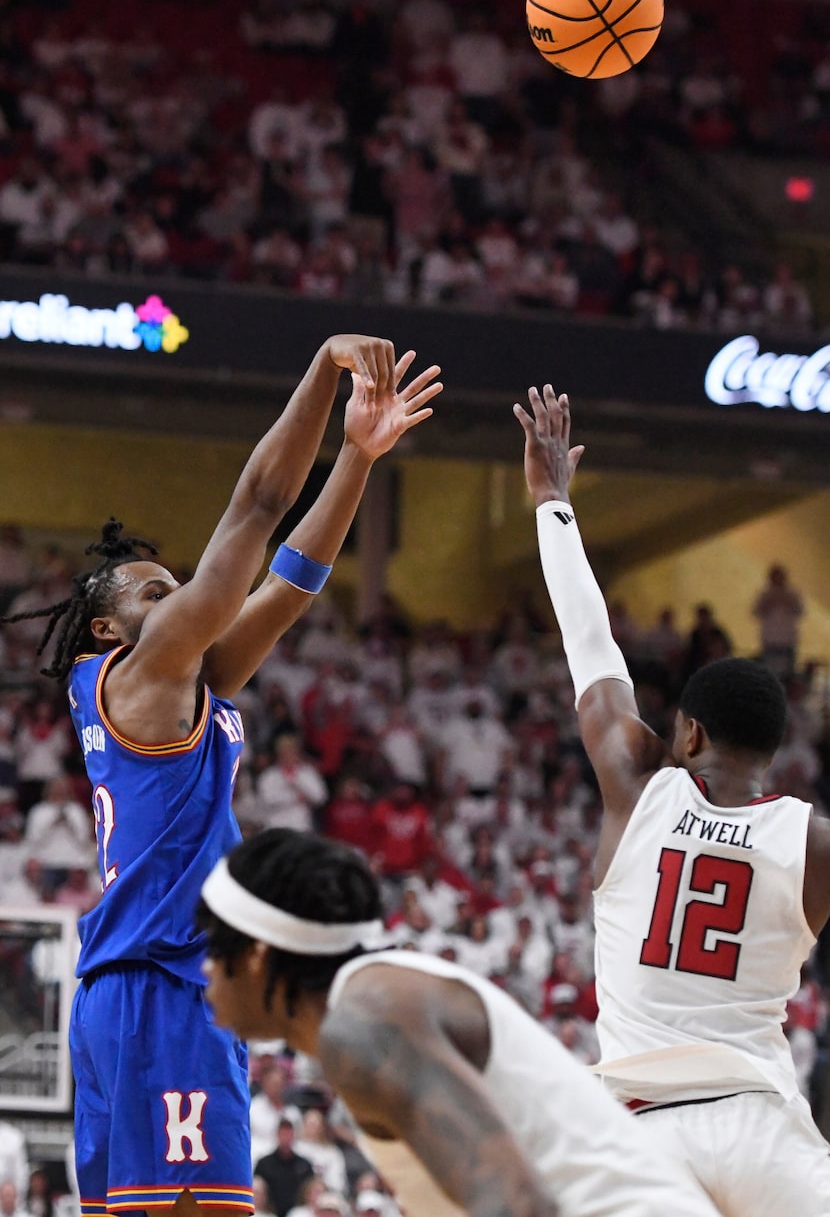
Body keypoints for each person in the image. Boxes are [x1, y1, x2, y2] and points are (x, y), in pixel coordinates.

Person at [1, 335, 442, 1217]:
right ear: (105, 630)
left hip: (164, 982)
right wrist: (321, 371)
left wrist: (356, 457)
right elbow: (258, 504)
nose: (179, 597)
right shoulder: (146, 666)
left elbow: (292, 585)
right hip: (157, 982)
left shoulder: (183, 677)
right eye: (153, 590)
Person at [513, 383, 830, 1216]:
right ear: (772, 752)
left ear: (687, 734)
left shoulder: (637, 782)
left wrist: (552, 504)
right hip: (762, 1124)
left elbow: (591, 641)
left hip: (640, 1129)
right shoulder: (814, 842)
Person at [198, 828, 722, 1217]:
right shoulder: (370, 1004)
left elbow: (516, 1206)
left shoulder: (366, 1023)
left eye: (214, 950)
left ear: (257, 956)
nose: (204, 969)